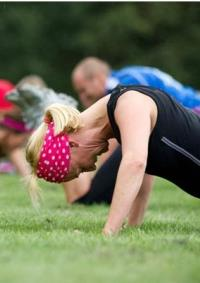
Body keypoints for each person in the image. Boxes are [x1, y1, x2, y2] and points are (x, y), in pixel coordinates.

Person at [25, 84, 200, 236]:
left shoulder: (128, 104)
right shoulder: (120, 113)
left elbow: (135, 164)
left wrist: (109, 231)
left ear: (71, 145)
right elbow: (144, 172)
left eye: (78, 169)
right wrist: (133, 225)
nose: (89, 169)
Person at [65, 57, 200, 205]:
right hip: (188, 118)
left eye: (83, 90)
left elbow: (122, 144)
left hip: (194, 114)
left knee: (129, 154)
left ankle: (93, 199)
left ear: (97, 79)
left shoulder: (124, 86)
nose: (82, 97)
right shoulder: (123, 80)